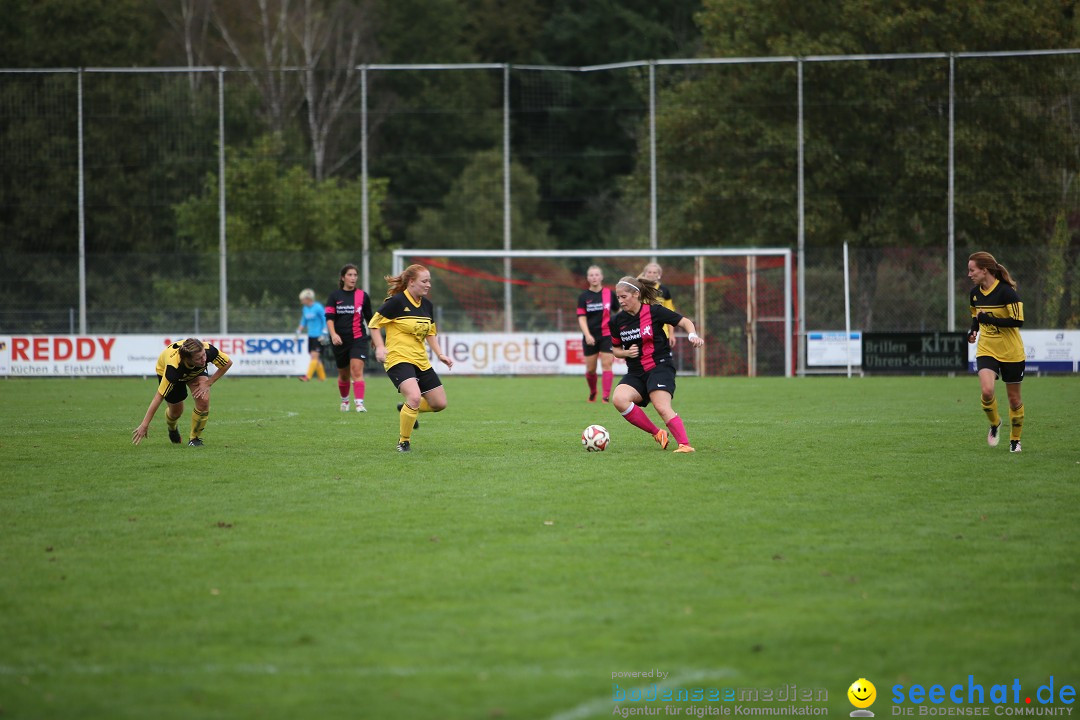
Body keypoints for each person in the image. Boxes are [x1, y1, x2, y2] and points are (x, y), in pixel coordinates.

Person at [608, 276, 705, 454]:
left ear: (636, 294)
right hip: (636, 372)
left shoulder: (654, 311)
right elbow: (615, 350)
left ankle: (685, 445)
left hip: (659, 367)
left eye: (624, 297)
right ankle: (657, 433)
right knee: (619, 399)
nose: (620, 301)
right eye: (618, 297)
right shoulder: (616, 322)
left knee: (661, 406)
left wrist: (692, 335)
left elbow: (684, 321)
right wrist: (626, 353)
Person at [368, 264, 453, 452]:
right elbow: (374, 324)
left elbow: (430, 332)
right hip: (398, 358)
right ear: (411, 282)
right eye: (425, 281)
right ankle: (404, 441)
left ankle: (407, 408)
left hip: (420, 360)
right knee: (414, 397)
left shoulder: (427, 305)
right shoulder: (396, 302)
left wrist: (440, 354)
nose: (428, 284)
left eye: (429, 280)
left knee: (439, 404)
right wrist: (380, 347)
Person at [967, 251, 1026, 453]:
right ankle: (995, 423)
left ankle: (1015, 440)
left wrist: (989, 320)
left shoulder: (1007, 293)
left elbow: (1018, 321)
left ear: (985, 270)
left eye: (972, 270)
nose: (969, 274)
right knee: (986, 391)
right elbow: (976, 316)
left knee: (1014, 399)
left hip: (1011, 352)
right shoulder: (974, 294)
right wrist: (973, 331)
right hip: (987, 348)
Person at [132, 337, 232, 448]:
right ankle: (172, 427)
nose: (204, 359)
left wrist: (208, 383)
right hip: (168, 371)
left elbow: (227, 363)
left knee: (204, 401)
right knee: (176, 412)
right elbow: (158, 397)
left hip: (196, 372)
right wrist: (145, 424)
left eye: (203, 355)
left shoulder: (207, 350)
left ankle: (194, 439)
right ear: (187, 358)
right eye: (199, 358)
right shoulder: (173, 370)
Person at [325, 263, 374, 412]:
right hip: (340, 341)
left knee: (357, 371)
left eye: (355, 275)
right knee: (344, 375)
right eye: (350, 275)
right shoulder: (334, 296)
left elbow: (370, 318)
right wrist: (333, 335)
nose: (353, 278)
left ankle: (359, 404)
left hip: (358, 339)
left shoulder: (363, 296)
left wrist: (374, 338)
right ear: (343, 277)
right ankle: (345, 401)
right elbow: (329, 318)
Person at [576, 265, 615, 403]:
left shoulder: (610, 294)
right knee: (591, 369)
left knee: (607, 365)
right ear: (588, 278)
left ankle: (605, 397)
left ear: (601, 277)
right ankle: (593, 392)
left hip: (607, 335)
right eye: (591, 275)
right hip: (590, 336)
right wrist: (587, 334)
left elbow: (619, 311)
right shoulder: (583, 296)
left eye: (597, 274)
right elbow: (581, 317)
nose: (594, 277)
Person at [296, 288, 328, 382]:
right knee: (315, 357)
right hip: (311, 336)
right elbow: (303, 321)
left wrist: (325, 332)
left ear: (308, 298)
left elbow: (325, 319)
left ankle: (307, 377)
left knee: (314, 356)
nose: (301, 301)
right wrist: (298, 332)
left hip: (319, 335)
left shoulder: (318, 307)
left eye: (303, 299)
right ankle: (322, 378)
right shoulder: (305, 309)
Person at [638, 261, 676, 337]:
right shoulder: (639, 289)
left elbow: (670, 312)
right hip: (642, 328)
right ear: (644, 274)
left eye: (654, 272)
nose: (652, 274)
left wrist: (671, 334)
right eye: (649, 272)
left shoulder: (664, 290)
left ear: (659, 275)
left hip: (662, 330)